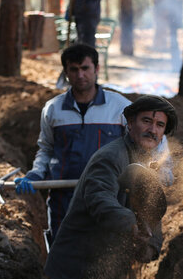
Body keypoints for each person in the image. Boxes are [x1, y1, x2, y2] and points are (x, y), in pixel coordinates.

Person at [45, 95, 178, 279]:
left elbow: (152, 215)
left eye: (160, 125)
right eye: (146, 121)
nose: (152, 129)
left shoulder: (150, 167)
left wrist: (150, 246)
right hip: (77, 275)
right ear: (129, 123)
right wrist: (132, 224)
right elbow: (100, 200)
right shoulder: (110, 157)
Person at [14, 44, 172, 247]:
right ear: (66, 72)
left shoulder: (119, 107)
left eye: (85, 68)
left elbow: (152, 137)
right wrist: (35, 175)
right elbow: (46, 149)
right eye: (74, 69)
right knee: (63, 254)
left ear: (96, 69)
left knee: (106, 254)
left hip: (110, 198)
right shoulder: (53, 110)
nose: (80, 75)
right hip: (64, 199)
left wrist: (160, 170)